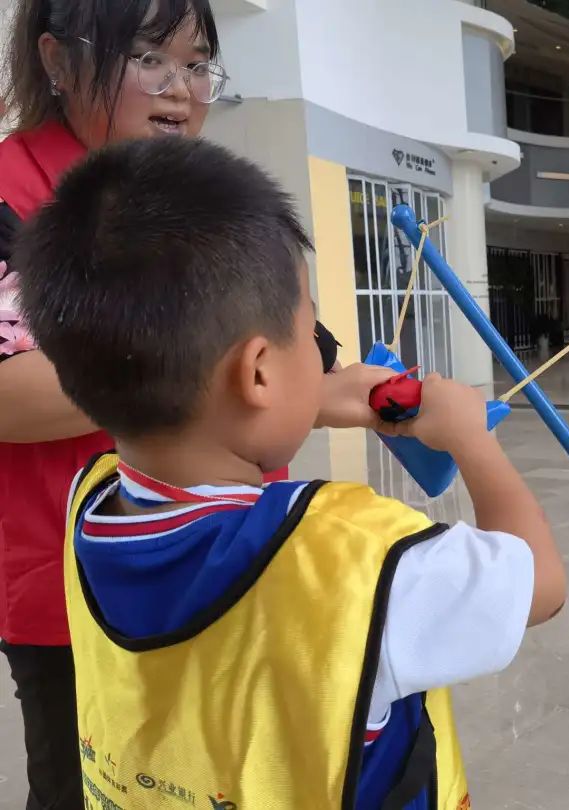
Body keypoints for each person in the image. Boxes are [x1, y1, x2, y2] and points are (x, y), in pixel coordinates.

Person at [14, 136, 566, 808]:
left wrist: (308, 401)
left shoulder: (89, 500)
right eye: (309, 334)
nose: (318, 352)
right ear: (257, 373)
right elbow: (541, 586)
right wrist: (472, 440)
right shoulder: (357, 564)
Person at [0, 2, 369, 806]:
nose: (182, 89)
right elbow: (9, 396)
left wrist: (346, 391)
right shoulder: (11, 193)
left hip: (239, 557)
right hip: (79, 588)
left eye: (198, 64)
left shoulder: (208, 196)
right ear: (57, 61)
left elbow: (296, 358)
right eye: (148, 59)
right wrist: (200, 358)